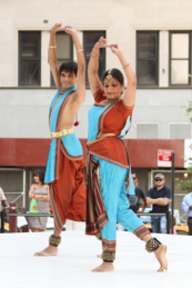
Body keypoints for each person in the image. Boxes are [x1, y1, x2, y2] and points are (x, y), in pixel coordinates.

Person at [86, 37, 168, 272]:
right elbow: (92, 74)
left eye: (114, 85)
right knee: (121, 209)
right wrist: (95, 51)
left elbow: (132, 80)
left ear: (121, 87)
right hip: (99, 160)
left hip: (112, 159)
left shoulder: (124, 105)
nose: (110, 88)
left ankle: (108, 259)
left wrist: (120, 55)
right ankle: (156, 246)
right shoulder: (100, 99)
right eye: (107, 84)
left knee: (109, 209)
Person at [34, 23, 86, 256]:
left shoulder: (77, 94)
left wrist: (75, 38)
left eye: (70, 75)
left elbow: (84, 67)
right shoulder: (60, 90)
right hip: (56, 147)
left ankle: (54, 243)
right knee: (60, 193)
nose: (65, 78)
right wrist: (53, 35)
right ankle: (105, 236)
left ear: (76, 78)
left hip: (67, 147)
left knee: (65, 193)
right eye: (64, 75)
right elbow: (51, 62)